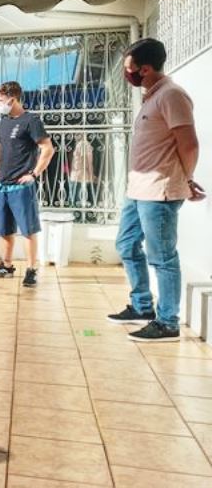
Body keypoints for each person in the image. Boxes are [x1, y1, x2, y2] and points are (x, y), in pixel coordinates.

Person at [108, 38, 204, 342]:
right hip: (138, 190)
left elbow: (189, 144)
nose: (128, 74)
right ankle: (142, 306)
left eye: (130, 69)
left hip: (160, 192)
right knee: (126, 245)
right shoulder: (152, 97)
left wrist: (186, 179)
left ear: (145, 69)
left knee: (162, 257)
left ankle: (168, 322)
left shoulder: (173, 96)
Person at [0, 81, 55, 287]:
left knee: (27, 230)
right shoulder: (4, 122)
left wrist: (34, 174)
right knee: (4, 229)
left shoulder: (31, 121)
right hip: (1, 184)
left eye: (0, 100)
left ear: (13, 99)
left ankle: (31, 270)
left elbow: (48, 149)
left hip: (21, 186)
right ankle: (5, 266)